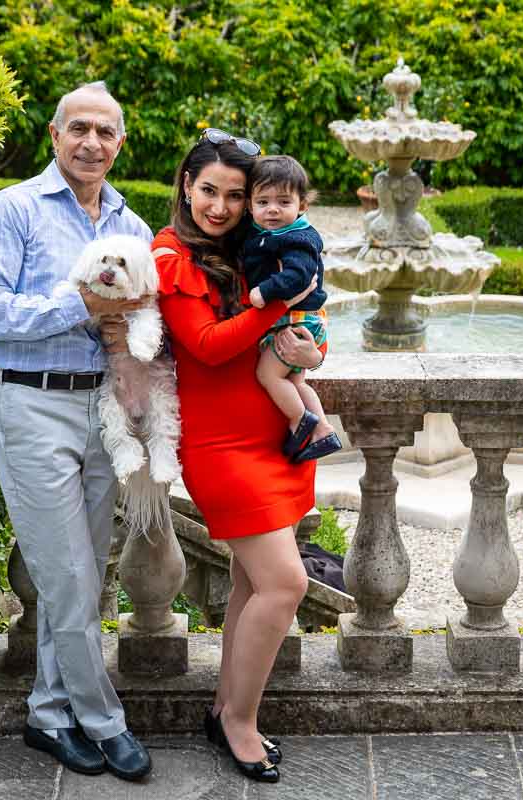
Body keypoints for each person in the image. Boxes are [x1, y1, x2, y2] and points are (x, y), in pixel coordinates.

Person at [0, 82, 154, 782]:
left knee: (79, 575)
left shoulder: (130, 225)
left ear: (120, 143)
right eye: (79, 128)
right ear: (54, 134)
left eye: (105, 131)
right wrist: (78, 303)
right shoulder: (11, 211)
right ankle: (105, 721)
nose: (91, 142)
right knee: (70, 575)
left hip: (100, 410)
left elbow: (137, 321)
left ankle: (47, 714)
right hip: (32, 407)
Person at [151, 129, 324, 783]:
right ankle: (239, 723)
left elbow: (300, 334)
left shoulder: (258, 246)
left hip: (276, 439)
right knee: (287, 583)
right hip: (220, 446)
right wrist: (283, 302)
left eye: (234, 195)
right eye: (208, 192)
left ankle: (227, 705)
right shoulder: (169, 253)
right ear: (185, 188)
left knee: (256, 583)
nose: (220, 207)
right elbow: (208, 344)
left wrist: (309, 348)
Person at [243, 155, 342, 463]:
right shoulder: (267, 234)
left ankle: (300, 422)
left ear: (302, 206)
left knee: (268, 375)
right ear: (250, 206)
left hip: (296, 321)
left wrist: (263, 292)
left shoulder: (296, 238)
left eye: (283, 201)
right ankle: (324, 429)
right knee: (296, 382)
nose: (272, 209)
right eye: (263, 202)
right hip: (301, 322)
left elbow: (299, 277)